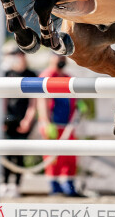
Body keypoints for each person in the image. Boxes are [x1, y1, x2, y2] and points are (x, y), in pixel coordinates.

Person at [38, 53, 80, 196]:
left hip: (67, 124)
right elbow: (42, 100)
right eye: (58, 57)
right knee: (52, 157)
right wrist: (45, 122)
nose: (61, 59)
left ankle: (69, 184)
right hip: (53, 123)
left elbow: (74, 98)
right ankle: (54, 186)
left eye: (62, 57)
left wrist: (79, 106)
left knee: (69, 155)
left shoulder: (68, 78)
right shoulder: (47, 76)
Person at [0, 43, 37, 199]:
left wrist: (28, 119)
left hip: (24, 117)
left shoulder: (31, 74)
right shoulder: (7, 73)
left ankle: (17, 185)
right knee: (6, 152)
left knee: (20, 153)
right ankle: (5, 183)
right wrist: (2, 118)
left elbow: (34, 101)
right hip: (9, 117)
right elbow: (4, 99)